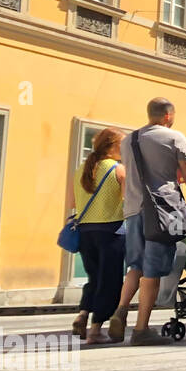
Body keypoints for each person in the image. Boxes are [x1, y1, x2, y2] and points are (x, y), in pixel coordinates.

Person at [119, 98, 186, 346]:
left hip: (133, 212)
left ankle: (120, 311)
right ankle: (141, 329)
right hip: (160, 214)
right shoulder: (174, 137)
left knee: (134, 267)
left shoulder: (129, 140)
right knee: (153, 271)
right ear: (168, 116)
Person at [70, 128, 127, 345]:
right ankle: (95, 330)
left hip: (85, 232)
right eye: (122, 145)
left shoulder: (81, 170)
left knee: (94, 278)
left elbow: (72, 204)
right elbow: (128, 201)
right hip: (111, 231)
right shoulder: (118, 170)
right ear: (112, 146)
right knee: (110, 281)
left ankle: (83, 314)